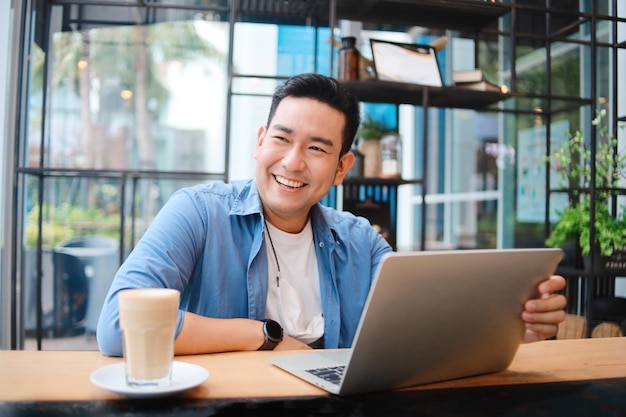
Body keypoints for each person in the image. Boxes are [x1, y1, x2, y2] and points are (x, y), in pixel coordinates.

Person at [97, 73, 566, 356]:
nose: (293, 162)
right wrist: (264, 336)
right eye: (281, 139)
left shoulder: (360, 240)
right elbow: (119, 325)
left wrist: (511, 327)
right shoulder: (197, 213)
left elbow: (423, 331)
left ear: (342, 167)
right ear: (260, 141)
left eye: (317, 148)